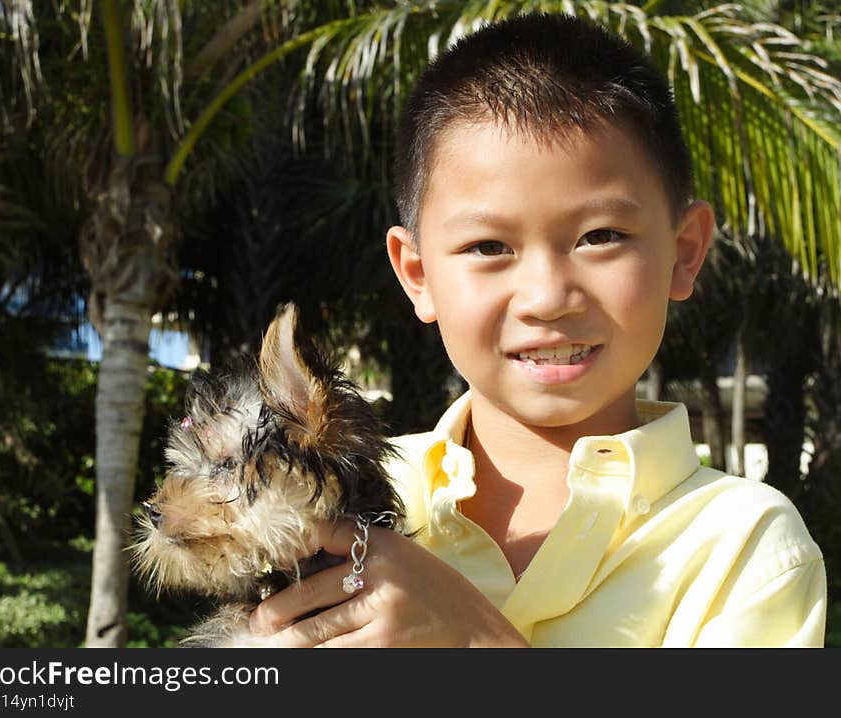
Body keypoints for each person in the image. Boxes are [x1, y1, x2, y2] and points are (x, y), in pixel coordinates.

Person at [247, 12, 827, 647]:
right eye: (489, 246)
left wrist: (473, 642)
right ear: (417, 274)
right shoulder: (328, 498)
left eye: (600, 237)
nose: (548, 298)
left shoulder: (743, 546)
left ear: (684, 251)